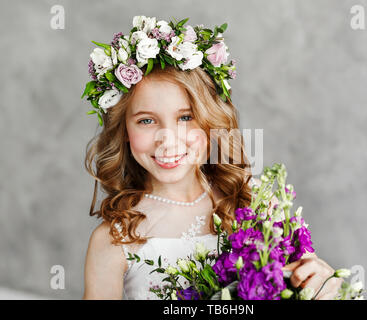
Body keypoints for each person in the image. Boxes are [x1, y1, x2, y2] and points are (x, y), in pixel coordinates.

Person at [81, 15, 342, 300]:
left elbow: (300, 284)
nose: (168, 139)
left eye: (185, 117)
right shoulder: (113, 240)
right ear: (124, 131)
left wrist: (321, 283)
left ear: (211, 122)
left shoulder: (254, 203)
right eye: (146, 121)